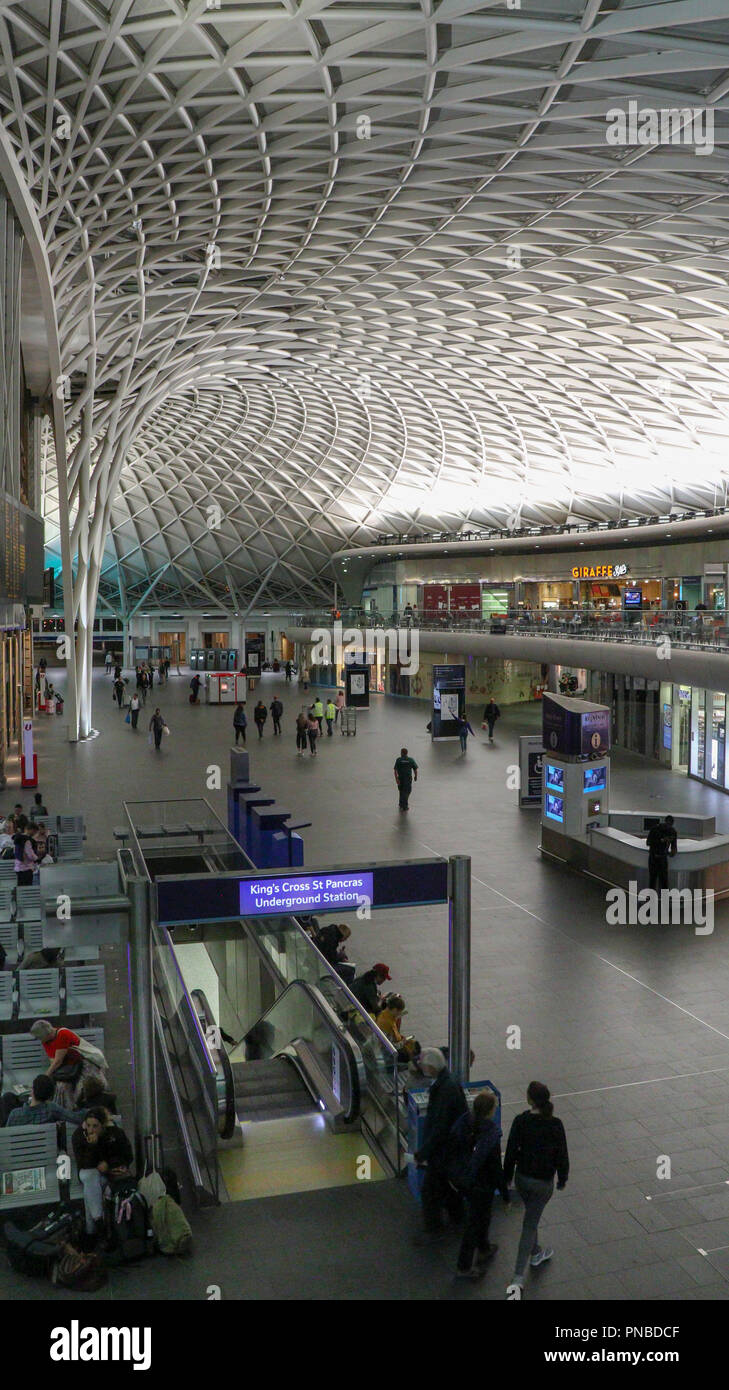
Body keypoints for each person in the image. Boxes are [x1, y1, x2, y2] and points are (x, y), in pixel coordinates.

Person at [503, 1081, 569, 1300]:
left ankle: (537, 1251)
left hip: (523, 1179)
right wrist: (562, 1178)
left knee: (532, 1212)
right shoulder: (555, 1124)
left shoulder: (521, 1121)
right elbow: (562, 1155)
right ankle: (518, 1276)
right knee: (529, 1224)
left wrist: (506, 1179)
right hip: (543, 1183)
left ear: (529, 1099)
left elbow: (511, 1152)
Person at [449, 1090, 505, 1278]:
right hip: (481, 1183)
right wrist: (505, 1194)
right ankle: (464, 1266)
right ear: (490, 1111)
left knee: (482, 1215)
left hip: (462, 1178)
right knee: (475, 1221)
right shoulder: (491, 1134)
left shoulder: (464, 1122)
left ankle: (484, 1246)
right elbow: (496, 1167)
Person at [415, 1048, 468, 1237]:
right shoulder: (447, 1082)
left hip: (444, 1150)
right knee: (445, 1186)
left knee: (429, 1192)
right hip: (449, 1148)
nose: (421, 1066)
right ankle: (458, 1217)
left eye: (423, 1063)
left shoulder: (445, 1089)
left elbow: (440, 1127)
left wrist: (424, 1153)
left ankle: (434, 1229)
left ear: (431, 1067)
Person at [72, 1108, 133, 1242]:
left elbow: (126, 1156)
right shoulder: (79, 1136)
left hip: (104, 1176)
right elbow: (83, 1163)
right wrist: (92, 1146)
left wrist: (109, 1164)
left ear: (102, 1126)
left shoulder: (112, 1134)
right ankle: (100, 1223)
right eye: (88, 1125)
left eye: (95, 1126)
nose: (91, 1130)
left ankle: (92, 1231)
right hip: (88, 1172)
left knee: (90, 1187)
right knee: (90, 1176)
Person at [29, 1019, 107, 1106]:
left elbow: (58, 1061)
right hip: (68, 1067)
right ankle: (69, 1108)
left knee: (83, 1089)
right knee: (62, 1088)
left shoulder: (62, 1034)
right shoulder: (46, 1041)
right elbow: (53, 1060)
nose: (39, 1040)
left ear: (46, 1034)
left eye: (39, 1037)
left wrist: (45, 1077)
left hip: (83, 1064)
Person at [1, 1073, 84, 1128]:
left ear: (32, 1091)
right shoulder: (52, 1110)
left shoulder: (15, 1114)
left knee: (7, 1097)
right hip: (44, 1151)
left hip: (18, 1152)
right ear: (50, 1096)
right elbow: (75, 1117)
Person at [376, 994, 419, 1062]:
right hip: (389, 1053)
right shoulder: (386, 1023)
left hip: (396, 1042)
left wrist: (401, 1038)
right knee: (413, 1049)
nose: (400, 1014)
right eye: (400, 1012)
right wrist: (403, 1042)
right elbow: (390, 1046)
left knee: (414, 1044)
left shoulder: (386, 1015)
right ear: (395, 1010)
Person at [645, 814, 678, 891]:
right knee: (653, 879)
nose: (668, 826)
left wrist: (673, 852)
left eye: (670, 825)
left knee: (663, 880)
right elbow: (648, 842)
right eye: (668, 824)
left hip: (662, 857)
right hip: (654, 857)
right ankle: (654, 898)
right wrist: (661, 840)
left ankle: (662, 899)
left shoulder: (672, 832)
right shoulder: (655, 829)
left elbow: (674, 846)